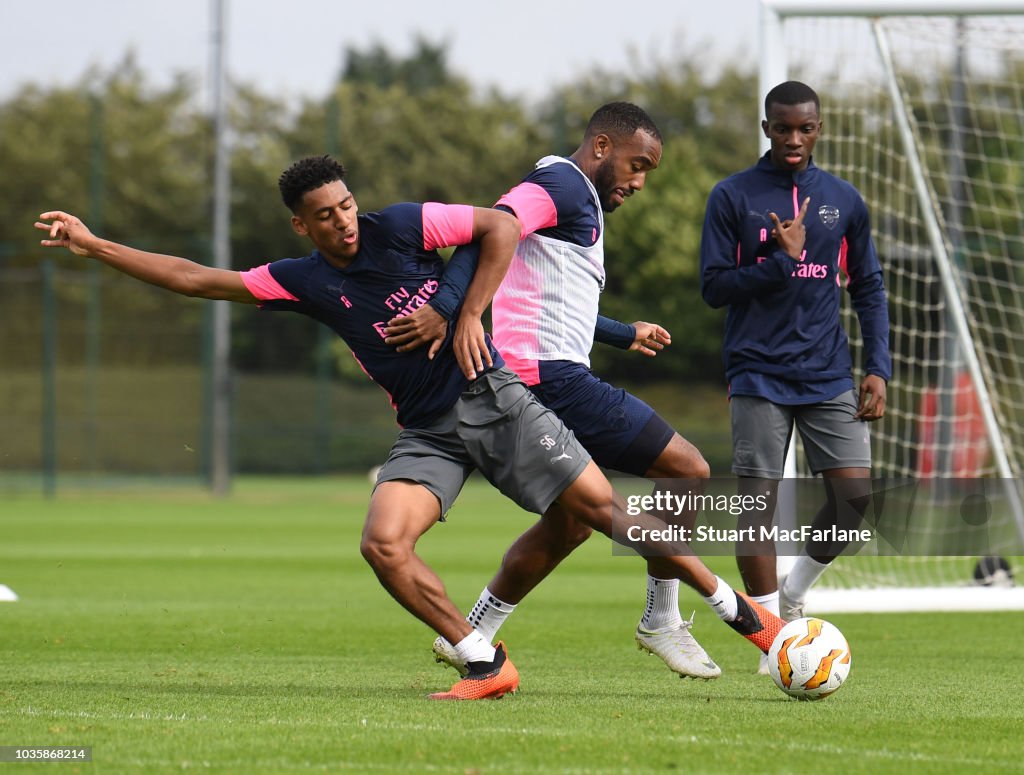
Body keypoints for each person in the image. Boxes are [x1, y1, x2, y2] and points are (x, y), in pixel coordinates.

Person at [37, 154, 783, 699]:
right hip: (428, 431)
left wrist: (458, 314)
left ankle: (743, 615)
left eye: (346, 202)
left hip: (494, 398)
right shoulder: (303, 279)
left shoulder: (400, 226)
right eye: (325, 213)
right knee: (382, 543)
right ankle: (483, 661)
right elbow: (197, 278)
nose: (343, 219)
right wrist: (96, 245)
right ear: (301, 224)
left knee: (601, 514)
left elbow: (496, 227)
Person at [385, 102, 720, 679]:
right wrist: (451, 311)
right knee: (686, 469)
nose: (639, 182)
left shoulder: (575, 200)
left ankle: (478, 630)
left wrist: (624, 332)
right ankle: (661, 618)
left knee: (571, 523)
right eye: (637, 165)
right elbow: (498, 222)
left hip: (538, 372)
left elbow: (555, 300)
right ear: (601, 148)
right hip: (550, 377)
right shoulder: (564, 183)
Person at [699, 81, 891, 672]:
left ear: (819, 129)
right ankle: (770, 638)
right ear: (767, 128)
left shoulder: (842, 200)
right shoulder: (733, 195)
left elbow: (869, 287)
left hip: (828, 371)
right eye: (782, 128)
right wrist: (779, 262)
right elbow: (713, 288)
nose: (793, 138)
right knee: (759, 505)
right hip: (757, 371)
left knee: (854, 500)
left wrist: (878, 368)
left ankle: (795, 591)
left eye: (805, 128)